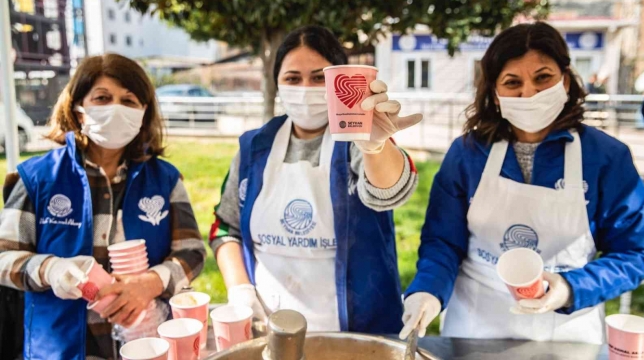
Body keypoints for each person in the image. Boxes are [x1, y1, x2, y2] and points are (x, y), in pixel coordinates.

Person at [400, 22, 644, 344]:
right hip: (475, 329)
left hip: (568, 333)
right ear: (495, 93)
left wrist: (570, 288)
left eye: (543, 77)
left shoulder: (605, 157)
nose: (528, 93)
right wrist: (427, 291)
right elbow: (443, 242)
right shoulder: (467, 154)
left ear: (566, 79)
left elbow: (637, 251)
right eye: (512, 82)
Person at [209, 25, 422, 333]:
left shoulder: (356, 140)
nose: (306, 88)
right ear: (277, 84)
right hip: (272, 329)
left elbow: (387, 191)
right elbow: (225, 226)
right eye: (293, 78)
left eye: (320, 78)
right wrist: (240, 290)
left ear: (340, 82)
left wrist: (376, 147)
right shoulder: (253, 147)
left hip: (359, 334)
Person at [0, 54, 206, 359]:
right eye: (103, 98)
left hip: (147, 345)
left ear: (143, 112)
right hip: (60, 348)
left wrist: (150, 283)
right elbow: (4, 257)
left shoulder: (165, 180)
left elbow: (192, 252)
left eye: (129, 100)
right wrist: (50, 269)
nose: (116, 108)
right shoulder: (38, 178)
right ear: (79, 110)